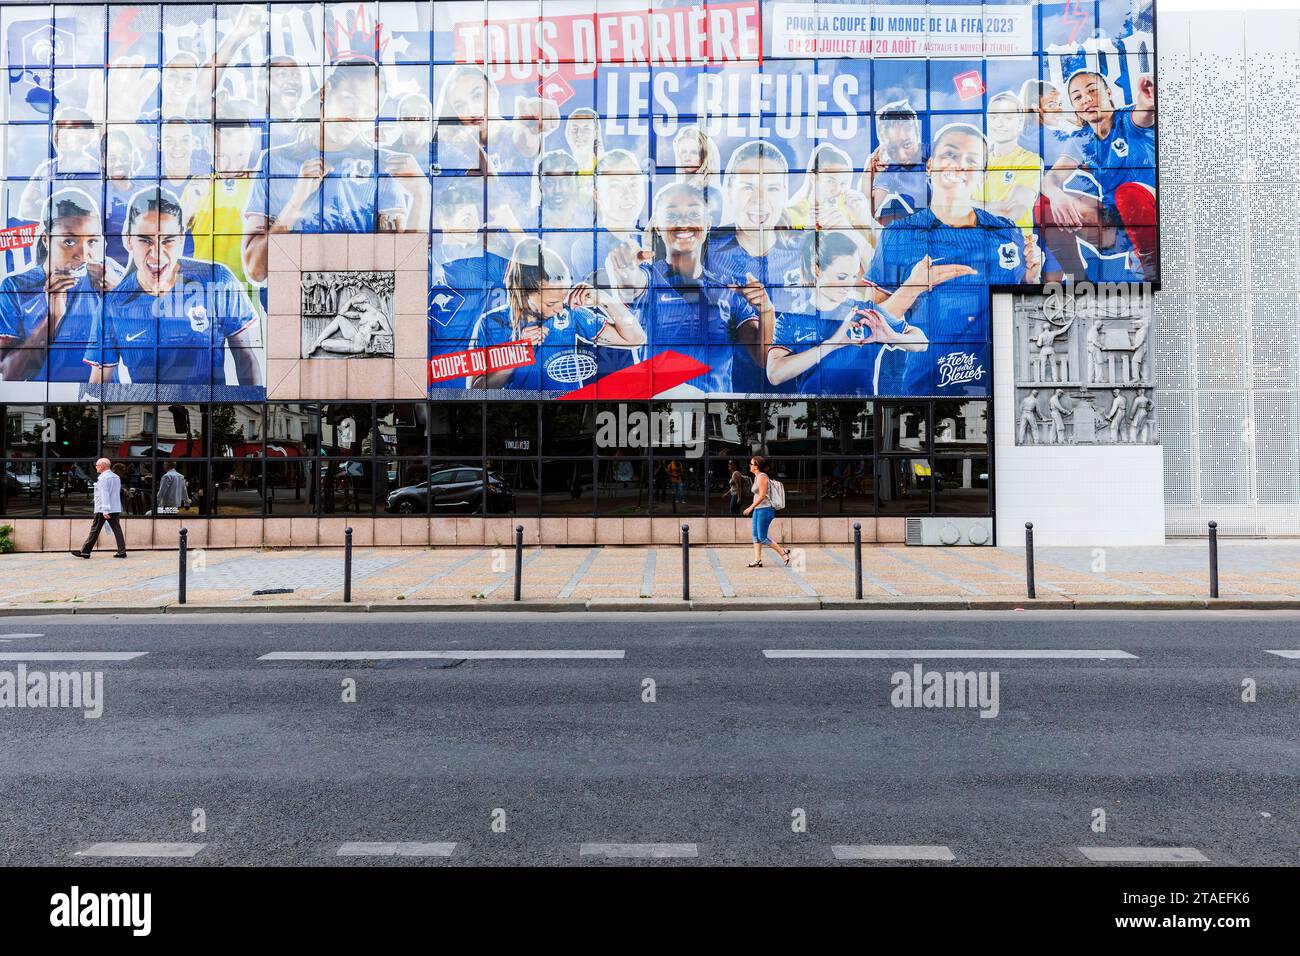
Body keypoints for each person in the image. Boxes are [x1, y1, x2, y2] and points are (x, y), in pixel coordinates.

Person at [867, 123, 1042, 396]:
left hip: (998, 384)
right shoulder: (898, 235)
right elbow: (875, 323)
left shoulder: (1006, 232)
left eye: (972, 160)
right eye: (950, 154)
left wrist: (1032, 279)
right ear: (929, 165)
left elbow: (1023, 315)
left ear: (982, 176)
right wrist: (913, 287)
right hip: (923, 387)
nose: (960, 164)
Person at [86, 188, 263, 396]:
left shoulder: (217, 280)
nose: (157, 254)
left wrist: (254, 415)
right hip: (149, 417)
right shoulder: (111, 306)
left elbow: (246, 358)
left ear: (181, 239)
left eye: (167, 240)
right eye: (145, 240)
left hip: (211, 419)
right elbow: (98, 385)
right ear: (128, 239)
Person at [610, 181, 774, 395]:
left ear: (708, 223)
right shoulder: (649, 278)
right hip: (661, 415)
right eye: (671, 216)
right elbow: (631, 281)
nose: (683, 223)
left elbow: (762, 358)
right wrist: (625, 266)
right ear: (658, 226)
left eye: (694, 214)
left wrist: (766, 311)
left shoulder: (729, 289)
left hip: (715, 418)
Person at [468, 238, 645, 393]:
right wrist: (517, 353)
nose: (560, 308)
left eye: (563, 297)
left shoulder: (570, 314)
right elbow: (476, 390)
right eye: (550, 303)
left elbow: (635, 339)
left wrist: (605, 300)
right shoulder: (489, 324)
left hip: (570, 415)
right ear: (523, 294)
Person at [767, 231, 927, 396]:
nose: (848, 285)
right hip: (813, 414)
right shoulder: (791, 319)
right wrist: (831, 344)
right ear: (817, 270)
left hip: (861, 414)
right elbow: (774, 374)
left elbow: (922, 343)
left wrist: (892, 337)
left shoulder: (865, 311)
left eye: (853, 276)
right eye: (842, 277)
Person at [1037, 70, 1157, 280]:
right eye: (1078, 97)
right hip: (1116, 224)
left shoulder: (1129, 119)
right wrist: (1057, 195)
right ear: (1074, 107)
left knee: (1127, 193)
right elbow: (1050, 179)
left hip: (1150, 210)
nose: (1087, 99)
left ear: (1108, 92)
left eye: (1092, 90)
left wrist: (1148, 100)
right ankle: (1078, 278)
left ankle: (1150, 261)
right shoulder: (1081, 140)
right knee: (1045, 206)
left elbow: (1144, 113)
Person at [0, 188, 116, 384]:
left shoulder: (111, 274)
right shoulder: (15, 287)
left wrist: (119, 297)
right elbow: (8, 374)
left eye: (92, 241)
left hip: (104, 401)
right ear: (46, 240)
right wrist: (53, 317)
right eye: (69, 241)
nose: (83, 254)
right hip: (49, 402)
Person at [977, 91, 1043, 237]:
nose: (999, 123)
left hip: (1014, 248)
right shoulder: (977, 160)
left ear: (1020, 123)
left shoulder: (1030, 161)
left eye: (1007, 117)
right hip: (976, 247)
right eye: (994, 117)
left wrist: (968, 204)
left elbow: (1011, 213)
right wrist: (995, 206)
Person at [860, 101, 926, 223]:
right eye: (892, 149)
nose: (901, 156)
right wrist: (867, 176)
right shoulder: (889, 171)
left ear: (917, 134)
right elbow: (868, 211)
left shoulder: (935, 155)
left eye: (907, 145)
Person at [70, 458, 127, 559]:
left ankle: (85, 552)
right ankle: (121, 551)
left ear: (102, 466)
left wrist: (105, 510)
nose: (96, 467)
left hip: (102, 509)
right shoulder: (116, 477)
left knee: (95, 530)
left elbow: (104, 494)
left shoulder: (103, 478)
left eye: (97, 465)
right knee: (117, 530)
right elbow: (115, 494)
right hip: (115, 507)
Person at [743, 455, 789, 568]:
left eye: (751, 464)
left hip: (765, 510)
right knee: (755, 536)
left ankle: (783, 553)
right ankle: (757, 560)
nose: (749, 465)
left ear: (757, 466)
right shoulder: (756, 477)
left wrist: (751, 507)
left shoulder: (762, 477)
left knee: (762, 537)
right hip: (759, 510)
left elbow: (763, 495)